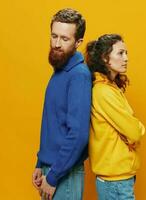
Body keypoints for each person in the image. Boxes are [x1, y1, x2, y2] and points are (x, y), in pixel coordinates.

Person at [32, 8, 91, 200]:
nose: (57, 44)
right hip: (52, 168)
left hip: (64, 173)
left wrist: (54, 176)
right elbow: (53, 122)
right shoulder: (60, 70)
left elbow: (78, 135)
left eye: (65, 39)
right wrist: (40, 163)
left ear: (78, 42)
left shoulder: (78, 75)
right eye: (54, 36)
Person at [85, 34, 145, 200]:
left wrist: (133, 129)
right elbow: (134, 131)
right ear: (105, 58)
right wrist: (137, 129)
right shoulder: (103, 92)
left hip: (119, 178)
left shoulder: (111, 88)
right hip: (115, 181)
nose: (126, 58)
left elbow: (130, 128)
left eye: (126, 53)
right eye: (120, 53)